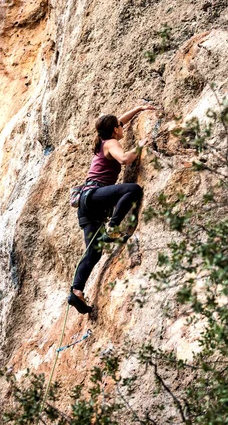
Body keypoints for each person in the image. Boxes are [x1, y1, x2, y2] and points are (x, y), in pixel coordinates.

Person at [68, 104, 156, 314]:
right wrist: (141, 145)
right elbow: (125, 159)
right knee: (133, 190)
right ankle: (114, 226)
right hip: (94, 196)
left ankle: (77, 292)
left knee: (93, 252)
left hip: (86, 203)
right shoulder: (111, 142)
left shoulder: (103, 140)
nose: (122, 127)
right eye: (119, 126)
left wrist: (139, 108)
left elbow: (120, 121)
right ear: (115, 130)